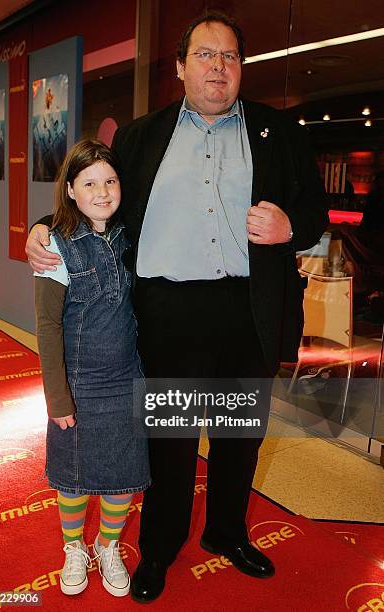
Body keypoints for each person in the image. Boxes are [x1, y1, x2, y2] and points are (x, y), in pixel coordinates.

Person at [26, 11, 328, 604]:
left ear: (242, 68)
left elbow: (315, 210)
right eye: (206, 55)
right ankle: (158, 549)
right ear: (182, 67)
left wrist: (292, 225)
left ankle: (226, 534)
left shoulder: (278, 131)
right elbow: (94, 192)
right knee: (171, 443)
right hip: (168, 313)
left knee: (239, 439)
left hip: (248, 310)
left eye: (231, 57)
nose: (220, 66)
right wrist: (43, 228)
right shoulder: (143, 136)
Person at [34, 139, 150, 598]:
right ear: (70, 189)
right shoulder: (54, 248)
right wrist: (57, 397)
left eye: (110, 180)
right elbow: (46, 327)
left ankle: (107, 546)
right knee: (74, 479)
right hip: (79, 387)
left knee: (123, 477)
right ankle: (73, 550)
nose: (102, 191)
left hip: (127, 380)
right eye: (89, 182)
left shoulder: (128, 237)